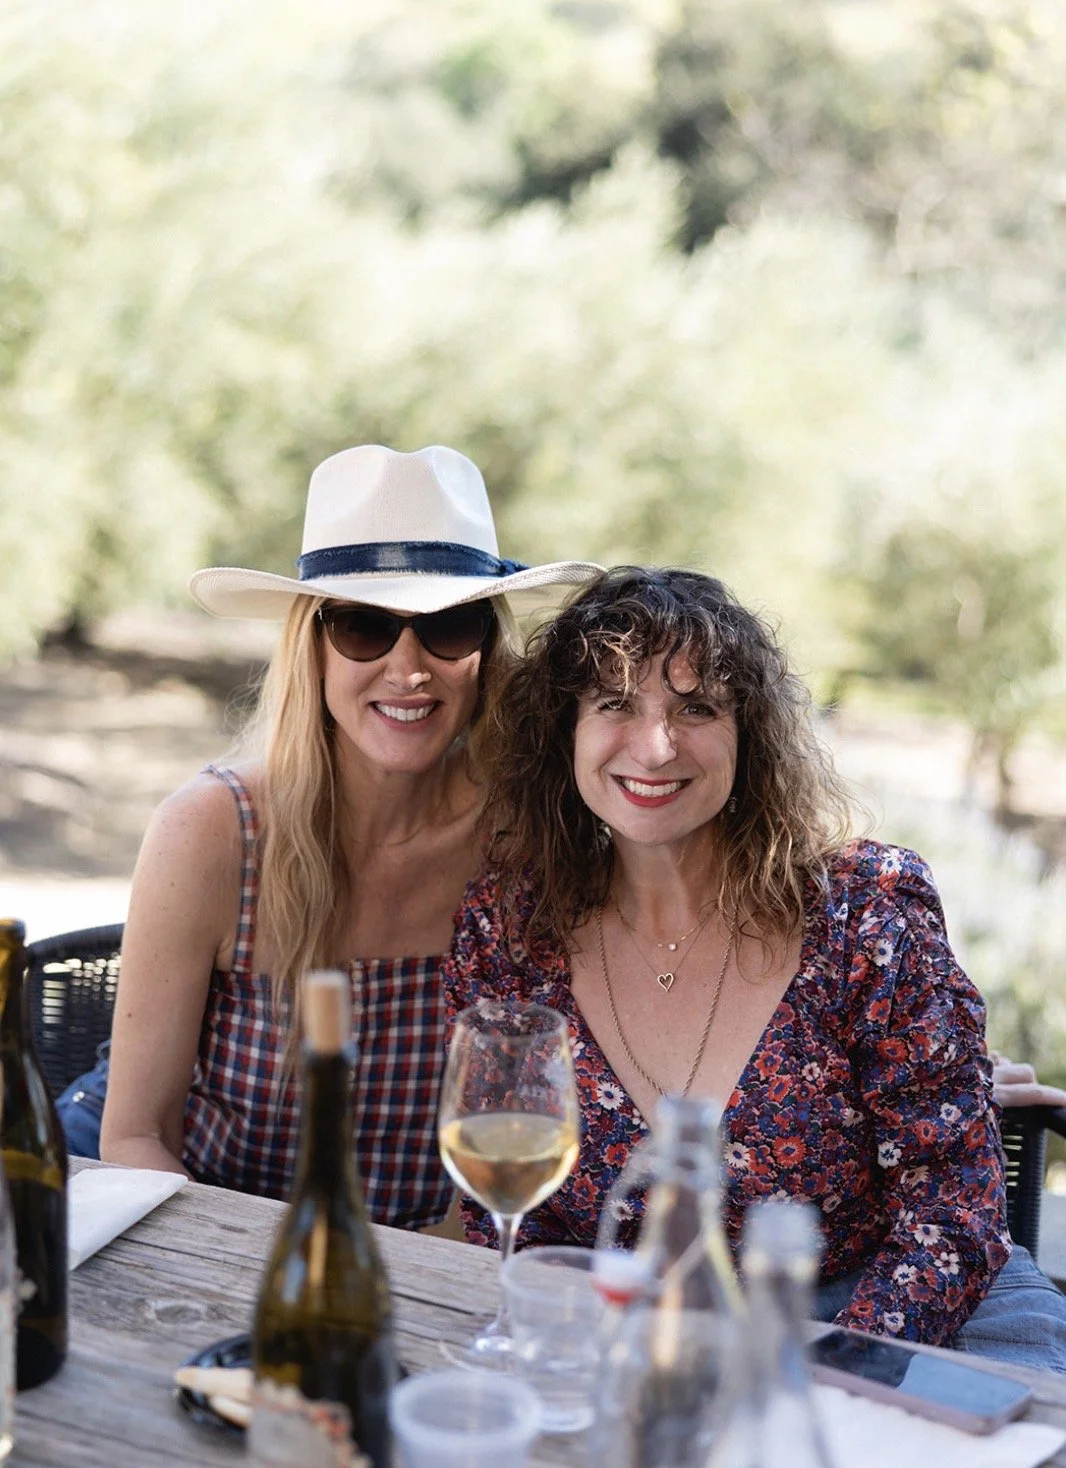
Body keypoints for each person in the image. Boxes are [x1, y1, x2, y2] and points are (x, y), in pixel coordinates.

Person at [444, 565, 1066, 1365]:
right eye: (616, 704)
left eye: (696, 707)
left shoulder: (866, 910)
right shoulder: (508, 932)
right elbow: (522, 1227)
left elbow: (953, 1214)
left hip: (910, 1323)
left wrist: (805, 1376)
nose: (657, 744)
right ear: (567, 730)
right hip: (642, 1337)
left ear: (751, 733)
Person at [62, 444, 597, 1228]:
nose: (409, 668)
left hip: (408, 1263)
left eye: (447, 627)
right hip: (188, 1222)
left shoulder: (520, 843)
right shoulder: (212, 830)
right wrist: (282, 1285)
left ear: (486, 650)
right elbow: (137, 1134)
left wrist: (418, 1286)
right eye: (365, 627)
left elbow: (508, 1132)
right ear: (312, 644)